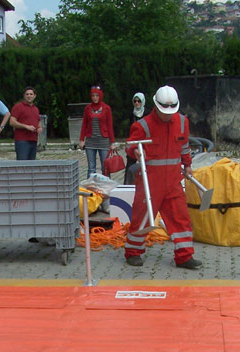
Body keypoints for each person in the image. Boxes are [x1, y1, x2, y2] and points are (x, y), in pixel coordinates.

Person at [124, 85, 202, 270]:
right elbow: (130, 145)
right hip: (150, 181)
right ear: (155, 106)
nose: (167, 115)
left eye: (170, 111)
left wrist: (188, 165)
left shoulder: (182, 122)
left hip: (173, 181)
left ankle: (184, 256)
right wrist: (135, 151)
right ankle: (133, 252)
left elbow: (184, 146)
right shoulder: (142, 125)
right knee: (141, 217)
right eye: (163, 111)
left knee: (180, 217)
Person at [79, 85, 117, 178]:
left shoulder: (106, 108)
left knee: (105, 167)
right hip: (91, 141)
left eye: (97, 95)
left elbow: (109, 126)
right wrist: (81, 139)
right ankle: (91, 188)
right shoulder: (87, 108)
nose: (95, 98)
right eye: (93, 96)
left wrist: (112, 142)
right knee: (91, 167)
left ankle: (106, 186)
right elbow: (84, 124)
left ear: (100, 96)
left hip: (103, 141)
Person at [9, 86, 43, 160]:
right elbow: (12, 122)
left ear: (34, 96)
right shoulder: (18, 107)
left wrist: (39, 127)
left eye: (31, 94)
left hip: (33, 140)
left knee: (31, 165)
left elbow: (38, 121)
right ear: (24, 96)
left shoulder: (35, 109)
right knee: (22, 164)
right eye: (27, 94)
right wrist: (26, 126)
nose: (29, 96)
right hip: (22, 140)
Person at [124, 92, 146, 185]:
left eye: (139, 101)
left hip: (145, 142)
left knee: (146, 164)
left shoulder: (147, 113)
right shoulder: (132, 114)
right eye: (135, 101)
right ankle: (127, 184)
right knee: (130, 164)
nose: (137, 103)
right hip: (133, 141)